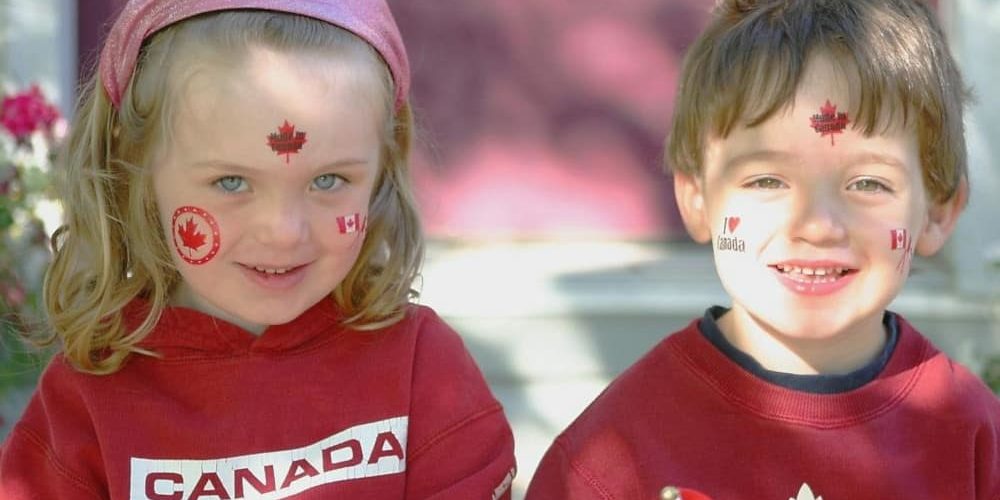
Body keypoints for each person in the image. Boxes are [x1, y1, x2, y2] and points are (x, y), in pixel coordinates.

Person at [0, 1, 517, 498]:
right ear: (134, 166)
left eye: (330, 179)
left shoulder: (423, 376)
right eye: (230, 183)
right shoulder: (84, 408)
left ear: (382, 167)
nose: (284, 231)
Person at [526, 0, 1000, 497]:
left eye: (868, 183)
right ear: (697, 199)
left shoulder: (974, 441)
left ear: (938, 212)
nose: (817, 226)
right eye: (767, 179)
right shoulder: (608, 463)